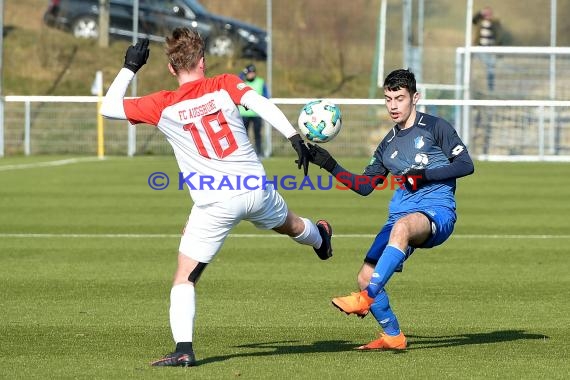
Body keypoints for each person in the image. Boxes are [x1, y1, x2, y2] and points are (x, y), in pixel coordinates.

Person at [100, 28, 333, 367]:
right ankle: (320, 240)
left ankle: (183, 349)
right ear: (203, 62)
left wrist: (130, 67)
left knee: (185, 276)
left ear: (170, 68)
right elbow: (260, 103)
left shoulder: (163, 104)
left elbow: (108, 108)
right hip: (256, 190)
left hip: (215, 204)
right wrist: (294, 137)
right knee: (290, 223)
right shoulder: (223, 83)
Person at [307, 69, 474, 350]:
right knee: (363, 276)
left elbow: (466, 165)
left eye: (399, 98)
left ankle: (366, 297)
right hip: (400, 215)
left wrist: (425, 175)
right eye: (388, 99)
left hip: (436, 211)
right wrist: (329, 164)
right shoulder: (388, 144)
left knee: (402, 228)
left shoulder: (436, 127)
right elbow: (365, 186)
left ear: (415, 97)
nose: (393, 106)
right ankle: (393, 336)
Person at [238, 64, 269, 157]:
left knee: (257, 135)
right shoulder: (242, 82)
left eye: (252, 72)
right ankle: (245, 154)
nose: (251, 75)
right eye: (249, 73)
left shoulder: (260, 82)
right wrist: (242, 73)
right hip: (244, 114)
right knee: (243, 135)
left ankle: (259, 153)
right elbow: (235, 80)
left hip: (256, 114)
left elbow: (266, 96)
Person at [472, 6, 504, 92]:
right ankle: (477, 86)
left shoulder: (495, 23)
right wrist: (480, 13)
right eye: (486, 13)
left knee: (490, 68)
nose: (487, 15)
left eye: (489, 13)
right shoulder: (479, 22)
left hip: (491, 49)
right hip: (480, 48)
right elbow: (473, 20)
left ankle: (490, 88)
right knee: (484, 66)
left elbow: (499, 34)